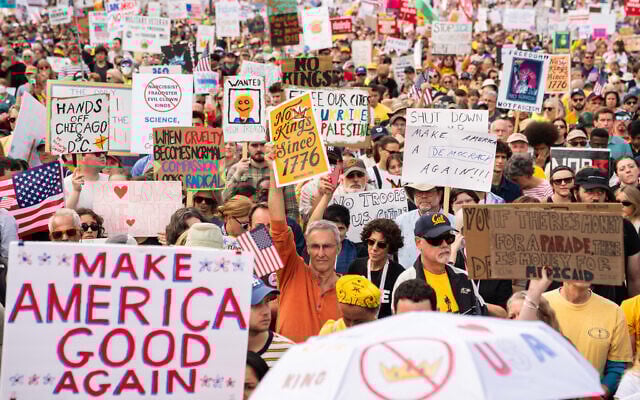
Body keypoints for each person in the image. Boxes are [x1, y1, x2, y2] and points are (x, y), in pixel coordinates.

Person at [267, 144, 341, 342]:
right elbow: (278, 226)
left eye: (327, 246)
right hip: (289, 370)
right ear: (307, 248)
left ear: (339, 248)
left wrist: (326, 196)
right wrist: (275, 176)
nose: (321, 253)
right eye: (315, 246)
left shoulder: (348, 290)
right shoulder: (292, 272)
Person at [544, 281, 633, 397]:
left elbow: (617, 366)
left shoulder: (614, 311)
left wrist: (601, 393)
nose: (582, 269)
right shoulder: (541, 304)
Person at [392, 212, 487, 315]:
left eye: (448, 238)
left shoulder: (464, 277)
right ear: (418, 243)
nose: (445, 244)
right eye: (436, 239)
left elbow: (480, 315)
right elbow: (401, 325)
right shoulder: (406, 280)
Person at [224, 141, 298, 221]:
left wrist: (286, 229)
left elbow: (292, 209)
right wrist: (238, 174)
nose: (259, 149)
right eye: (254, 145)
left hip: (273, 225)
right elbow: (225, 200)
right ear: (248, 147)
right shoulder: (236, 169)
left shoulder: (281, 170)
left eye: (262, 144)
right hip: (243, 226)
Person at [348, 218, 405, 318]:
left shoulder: (399, 273)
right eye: (371, 242)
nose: (374, 248)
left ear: (390, 247)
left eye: (381, 245)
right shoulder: (355, 267)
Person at [396, 184, 455, 269]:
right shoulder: (401, 221)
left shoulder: (455, 222)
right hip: (409, 279)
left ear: (440, 194)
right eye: (419, 192)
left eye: (429, 192)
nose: (424, 196)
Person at [247, 277, 294, 367]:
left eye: (267, 301)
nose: (266, 312)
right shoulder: (219, 351)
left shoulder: (289, 353)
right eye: (256, 304)